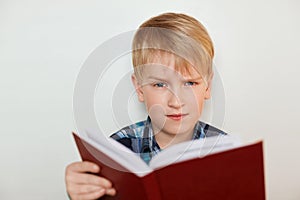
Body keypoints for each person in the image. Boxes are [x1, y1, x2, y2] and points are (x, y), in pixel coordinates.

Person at [65, 12, 226, 200]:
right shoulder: (118, 150)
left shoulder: (226, 152)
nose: (176, 102)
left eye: (190, 83)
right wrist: (83, 193)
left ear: (208, 87)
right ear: (139, 89)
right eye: (160, 84)